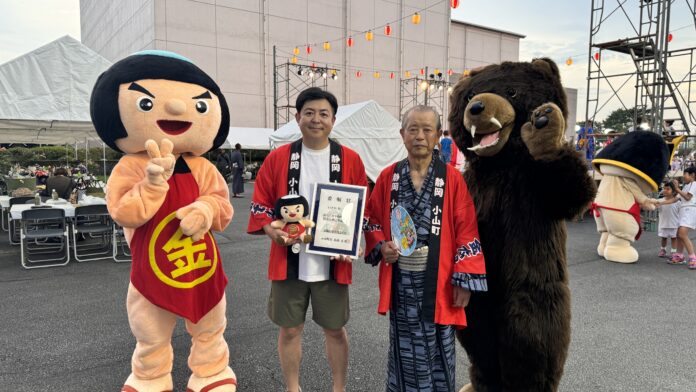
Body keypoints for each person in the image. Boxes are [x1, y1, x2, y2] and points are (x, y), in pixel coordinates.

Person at [247, 87, 369, 392]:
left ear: (334, 119)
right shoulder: (279, 158)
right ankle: (292, 387)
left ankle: (338, 387)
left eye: (323, 114)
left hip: (332, 260)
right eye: (310, 113)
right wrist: (269, 229)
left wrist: (353, 241)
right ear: (298, 117)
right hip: (290, 259)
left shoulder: (349, 159)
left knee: (335, 330)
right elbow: (260, 203)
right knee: (290, 329)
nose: (316, 120)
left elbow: (361, 207)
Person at [363, 105, 487, 392]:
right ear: (402, 134)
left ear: (437, 137)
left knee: (439, 348)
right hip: (402, 282)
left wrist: (464, 280)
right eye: (412, 129)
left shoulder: (452, 179)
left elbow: (467, 230)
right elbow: (371, 221)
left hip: (439, 281)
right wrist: (382, 247)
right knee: (404, 350)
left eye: (427, 130)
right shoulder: (387, 177)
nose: (419, 135)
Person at [670, 166, 696, 268]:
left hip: (689, 210)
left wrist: (676, 188)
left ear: (692, 175)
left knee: (682, 234)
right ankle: (679, 255)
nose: (683, 176)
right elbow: (674, 199)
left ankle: (693, 257)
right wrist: (659, 203)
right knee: (678, 234)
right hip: (683, 211)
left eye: (685, 174)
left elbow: (687, 197)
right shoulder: (686, 186)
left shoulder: (694, 184)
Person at [656, 182, 680, 258]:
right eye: (664, 189)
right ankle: (663, 249)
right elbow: (655, 207)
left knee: (674, 238)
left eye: (668, 189)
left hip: (674, 224)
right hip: (663, 223)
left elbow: (680, 213)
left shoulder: (677, 202)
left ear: (673, 191)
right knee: (664, 238)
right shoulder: (660, 201)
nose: (665, 190)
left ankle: (673, 251)